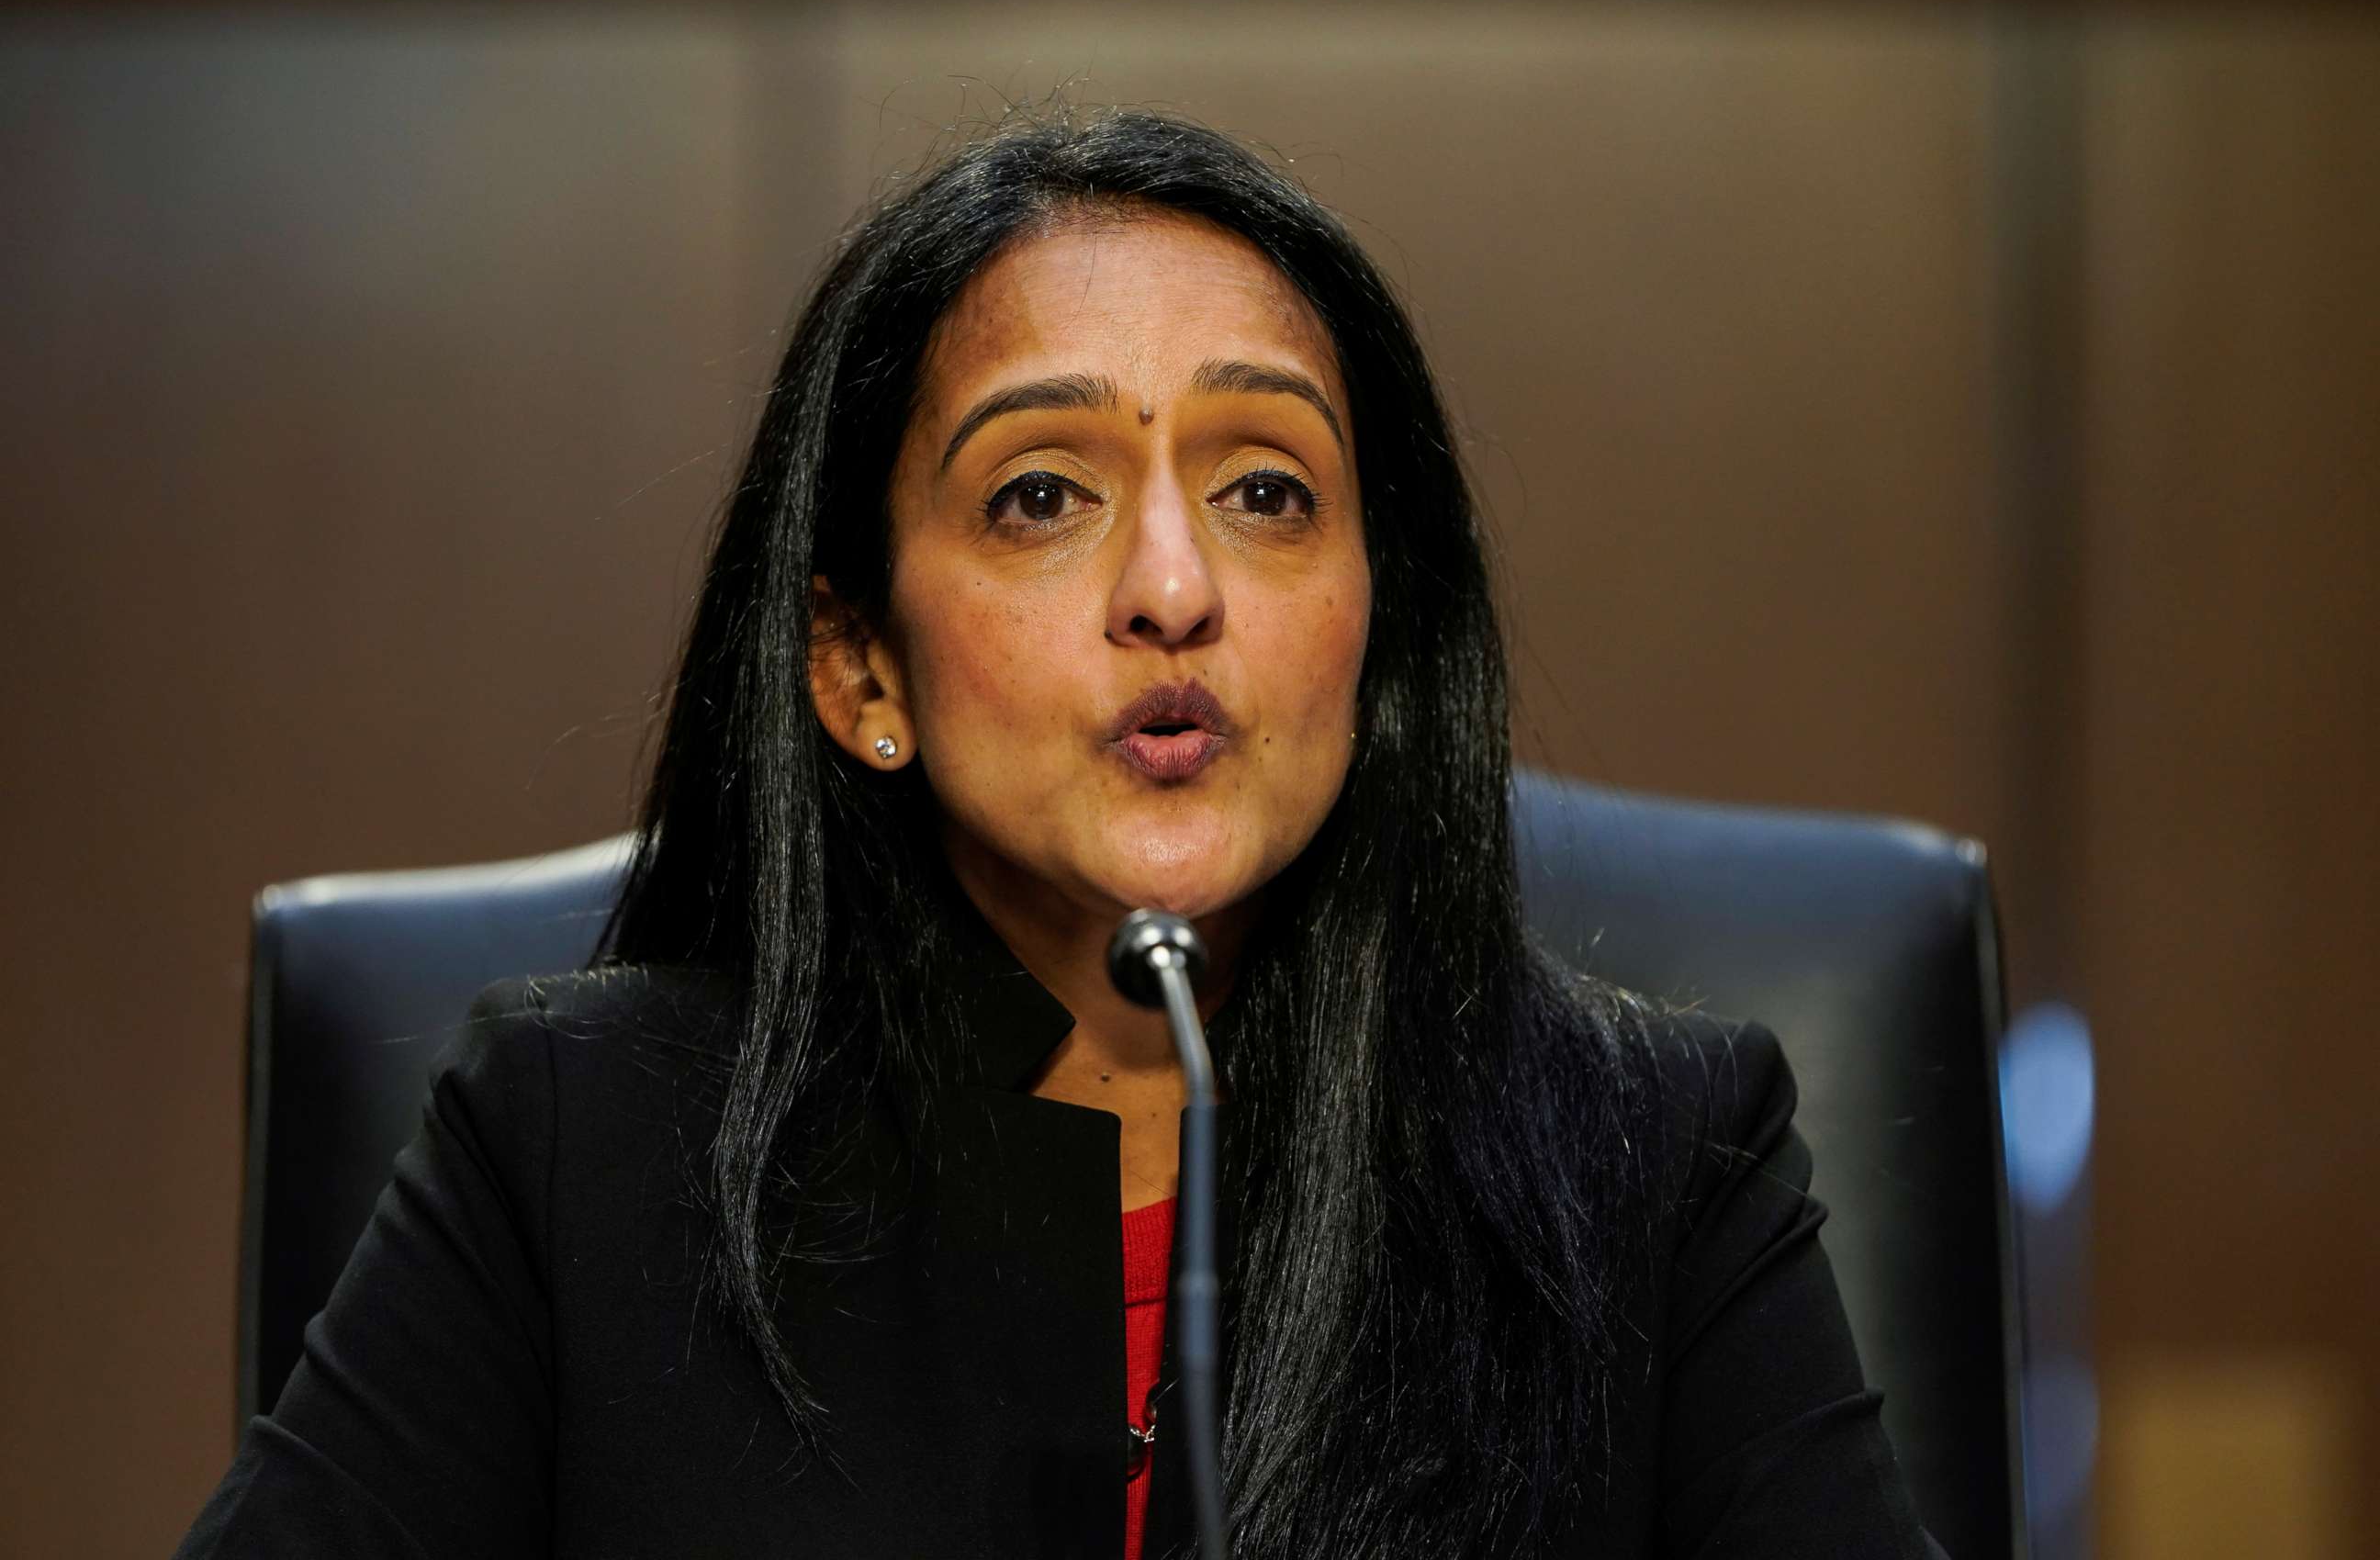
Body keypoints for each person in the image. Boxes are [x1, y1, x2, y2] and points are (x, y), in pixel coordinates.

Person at [176, 107, 1942, 1558]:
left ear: (1378, 626)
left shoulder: (1657, 1168)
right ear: (859, 661)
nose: (1173, 589)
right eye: (1041, 497)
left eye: (1267, 494)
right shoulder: (574, 1152)